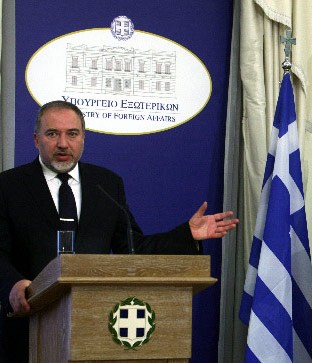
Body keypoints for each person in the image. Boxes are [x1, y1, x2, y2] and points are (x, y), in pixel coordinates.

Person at [0, 100, 239, 362]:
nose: (63, 144)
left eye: (72, 134)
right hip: (30, 326)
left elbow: (133, 248)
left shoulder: (106, 183)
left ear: (83, 139)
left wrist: (186, 235)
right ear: (36, 140)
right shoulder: (9, 185)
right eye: (52, 133)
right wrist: (12, 284)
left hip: (94, 326)